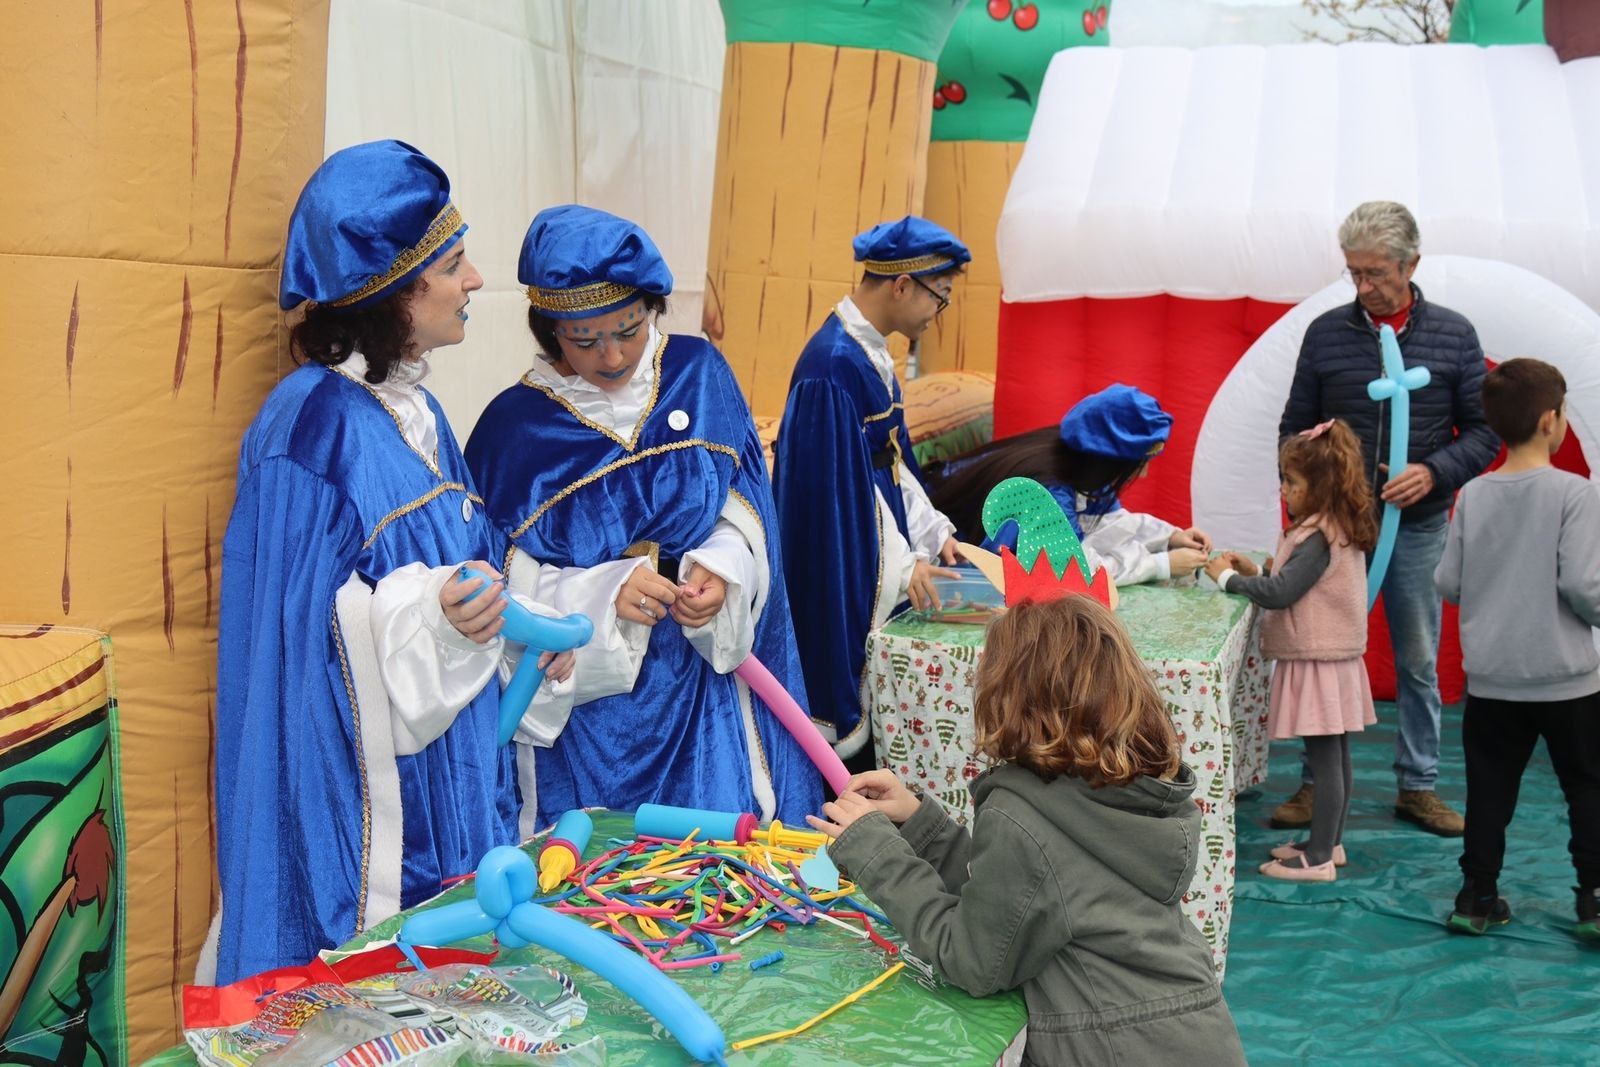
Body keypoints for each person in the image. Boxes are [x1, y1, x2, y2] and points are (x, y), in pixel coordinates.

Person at [211, 141, 576, 983]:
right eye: (452, 265)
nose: (477, 280)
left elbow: (468, 563)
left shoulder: (418, 409)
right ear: (393, 294)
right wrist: (430, 615)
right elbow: (295, 656)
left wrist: (519, 636)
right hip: (363, 825)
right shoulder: (310, 429)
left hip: (447, 788)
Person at [466, 205, 822, 828]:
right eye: (585, 340)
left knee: (719, 870)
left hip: (704, 698)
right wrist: (601, 592)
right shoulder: (510, 432)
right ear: (551, 332)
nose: (611, 355)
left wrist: (723, 567)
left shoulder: (699, 375)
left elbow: (745, 507)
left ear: (652, 310)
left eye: (628, 329)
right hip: (586, 730)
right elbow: (497, 582)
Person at [806, 595, 1246, 1065]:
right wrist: (918, 823)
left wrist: (877, 854)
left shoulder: (1028, 816)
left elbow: (972, 959)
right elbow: (1027, 896)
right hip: (1190, 1034)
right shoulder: (1122, 790)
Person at [1274, 200, 1499, 836]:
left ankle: (1417, 786)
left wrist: (1435, 471)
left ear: (1411, 264)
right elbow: (1295, 425)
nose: (1364, 287)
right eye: (1354, 274)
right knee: (1319, 650)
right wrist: (1312, 501)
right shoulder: (1325, 334)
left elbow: (1483, 434)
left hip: (1418, 524)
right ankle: (1315, 785)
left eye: (1376, 274)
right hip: (1334, 531)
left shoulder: (1454, 335)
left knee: (1418, 656)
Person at [773, 216, 965, 769]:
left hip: (880, 541)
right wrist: (906, 570)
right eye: (940, 297)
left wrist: (933, 532)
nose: (938, 311)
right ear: (902, 285)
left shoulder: (870, 352)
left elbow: (892, 460)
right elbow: (838, 499)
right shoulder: (831, 367)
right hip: (845, 555)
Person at [1433, 358, 1600, 940]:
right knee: (1586, 784)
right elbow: (1583, 585)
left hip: (1493, 678)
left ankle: (1476, 896)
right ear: (1552, 420)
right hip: (1567, 678)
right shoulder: (1574, 494)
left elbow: (1448, 584)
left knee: (1489, 787)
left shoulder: (1474, 494)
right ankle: (1594, 900)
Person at [1206, 420, 1379, 881]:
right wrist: (1256, 567)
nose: (1284, 490)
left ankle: (1318, 858)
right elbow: (1295, 579)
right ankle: (1329, 842)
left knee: (1325, 761)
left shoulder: (1317, 537)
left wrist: (1227, 579)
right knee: (1335, 756)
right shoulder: (1328, 528)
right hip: (1333, 658)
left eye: (1291, 482)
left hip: (1319, 660)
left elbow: (1283, 591)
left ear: (1319, 487)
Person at [926, 384, 1212, 584]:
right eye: (1139, 463)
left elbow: (1108, 522)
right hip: (948, 573)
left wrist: (1169, 538)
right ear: (1112, 460)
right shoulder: (1050, 491)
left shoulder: (1077, 458)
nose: (1146, 472)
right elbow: (1073, 570)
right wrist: (1161, 565)